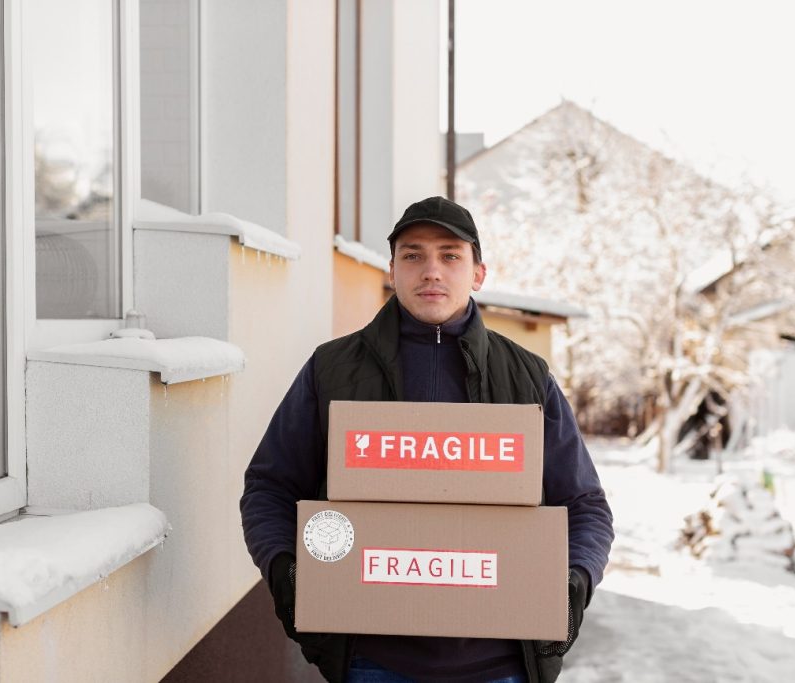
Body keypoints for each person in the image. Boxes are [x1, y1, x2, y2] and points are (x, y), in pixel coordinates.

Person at [240, 196, 614, 683]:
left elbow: (585, 505)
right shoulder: (332, 371)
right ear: (392, 269)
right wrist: (287, 571)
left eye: (450, 255)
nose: (431, 270)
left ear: (478, 272)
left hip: (501, 663)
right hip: (371, 660)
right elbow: (269, 487)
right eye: (413, 255)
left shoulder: (526, 378)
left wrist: (573, 581)